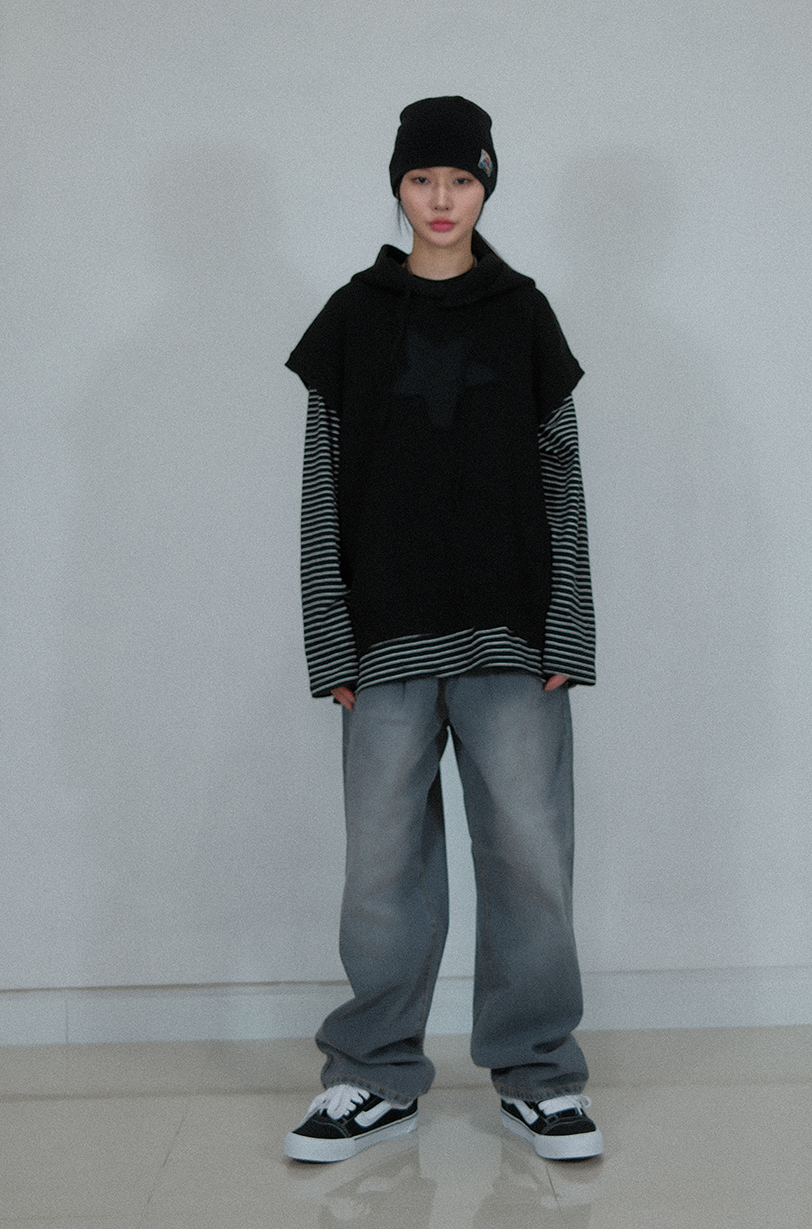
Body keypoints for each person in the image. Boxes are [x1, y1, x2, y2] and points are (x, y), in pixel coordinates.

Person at [283, 96, 600, 1164]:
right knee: (381, 866)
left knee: (530, 856)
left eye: (461, 179)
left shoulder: (523, 313)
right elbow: (321, 487)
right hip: (383, 643)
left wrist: (570, 631)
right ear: (398, 186)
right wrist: (330, 641)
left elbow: (562, 478)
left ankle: (540, 1074)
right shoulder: (354, 316)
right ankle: (374, 1074)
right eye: (422, 179)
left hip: (513, 637)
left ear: (487, 184)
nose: (441, 199)